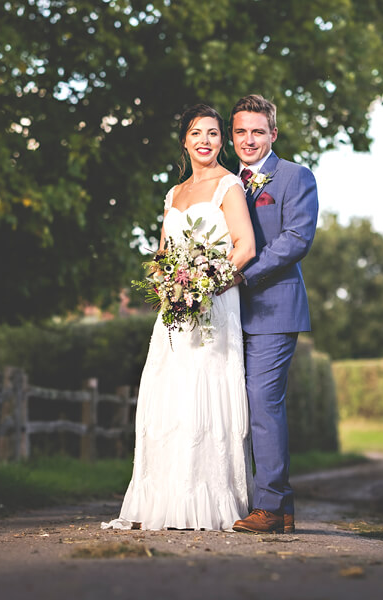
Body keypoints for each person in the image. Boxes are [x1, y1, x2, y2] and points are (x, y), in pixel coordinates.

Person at [103, 104, 257, 531]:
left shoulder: (230, 185)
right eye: (196, 133)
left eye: (212, 133)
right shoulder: (173, 193)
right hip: (176, 310)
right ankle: (165, 501)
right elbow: (163, 253)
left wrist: (206, 287)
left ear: (221, 141)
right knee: (169, 394)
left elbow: (244, 247)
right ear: (185, 141)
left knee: (204, 394)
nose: (205, 140)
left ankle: (208, 500)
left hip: (215, 303)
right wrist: (167, 286)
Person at [228, 94, 319, 534]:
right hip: (226, 313)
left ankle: (270, 504)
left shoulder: (294, 177)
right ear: (233, 136)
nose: (249, 139)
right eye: (241, 131)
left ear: (273, 134)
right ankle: (276, 509)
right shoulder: (227, 183)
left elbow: (296, 239)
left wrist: (244, 276)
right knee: (235, 405)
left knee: (264, 403)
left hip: (274, 307)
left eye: (257, 131)